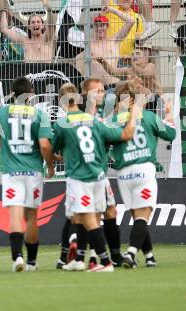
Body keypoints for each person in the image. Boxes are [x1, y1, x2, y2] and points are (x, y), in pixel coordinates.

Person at [53, 83, 139, 272]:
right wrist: (135, 112)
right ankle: (78, 259)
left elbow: (51, 148)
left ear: (62, 101)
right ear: (80, 97)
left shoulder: (62, 122)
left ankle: (105, 261)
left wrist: (58, 159)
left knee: (86, 218)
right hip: (100, 176)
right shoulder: (96, 121)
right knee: (85, 216)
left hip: (80, 177)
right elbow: (125, 134)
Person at [110, 82, 176, 268]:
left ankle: (149, 256)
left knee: (137, 215)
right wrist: (169, 114)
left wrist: (114, 158)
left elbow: (105, 145)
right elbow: (171, 134)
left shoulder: (113, 120)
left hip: (123, 173)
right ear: (133, 99)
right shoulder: (147, 116)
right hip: (143, 169)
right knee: (142, 217)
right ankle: (131, 253)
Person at [0, 77, 55, 272]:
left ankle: (17, 257)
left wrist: (11, 151)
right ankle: (32, 262)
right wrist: (50, 166)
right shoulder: (39, 114)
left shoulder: (1, 112)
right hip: (33, 172)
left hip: (12, 172)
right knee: (31, 218)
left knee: (15, 215)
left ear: (13, 93)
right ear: (31, 93)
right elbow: (45, 145)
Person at [76, 13, 135, 86]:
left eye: (102, 25)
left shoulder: (114, 41)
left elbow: (131, 21)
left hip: (113, 84)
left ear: (107, 26)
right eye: (96, 25)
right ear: (94, 27)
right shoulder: (89, 44)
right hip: (95, 86)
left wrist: (111, 10)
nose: (99, 28)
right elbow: (79, 63)